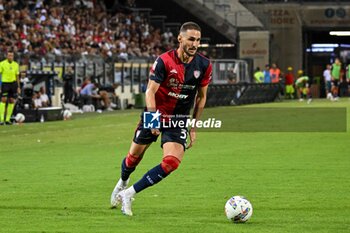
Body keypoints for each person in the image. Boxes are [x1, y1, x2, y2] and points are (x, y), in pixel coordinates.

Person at [110, 22, 212, 216]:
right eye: (191, 39)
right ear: (180, 38)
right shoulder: (164, 61)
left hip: (179, 118)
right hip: (156, 112)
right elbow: (150, 91)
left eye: (198, 40)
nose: (195, 44)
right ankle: (123, 182)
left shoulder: (204, 65)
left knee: (172, 162)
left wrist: (193, 126)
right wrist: (152, 118)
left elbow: (202, 97)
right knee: (133, 159)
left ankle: (129, 194)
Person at [0, 51, 20, 125]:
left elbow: (17, 76)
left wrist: (18, 87)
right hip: (5, 83)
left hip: (13, 84)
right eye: (9, 55)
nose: (10, 57)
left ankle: (8, 120)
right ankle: (1, 120)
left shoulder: (16, 65)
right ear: (6, 56)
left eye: (11, 56)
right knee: (3, 99)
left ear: (13, 56)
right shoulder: (2, 64)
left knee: (11, 100)